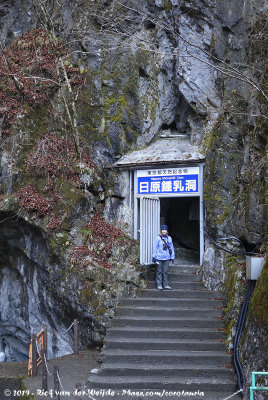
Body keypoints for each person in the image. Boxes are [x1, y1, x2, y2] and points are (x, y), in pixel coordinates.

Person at [152, 225, 175, 290]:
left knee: (165, 271)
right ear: (161, 231)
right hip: (159, 258)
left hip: (167, 258)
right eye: (163, 230)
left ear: (167, 231)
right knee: (159, 271)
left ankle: (166, 285)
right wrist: (154, 256)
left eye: (165, 230)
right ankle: (159, 285)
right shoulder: (158, 238)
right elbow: (155, 248)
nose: (164, 231)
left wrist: (172, 257)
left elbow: (171, 248)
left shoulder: (169, 238)